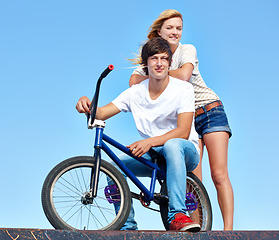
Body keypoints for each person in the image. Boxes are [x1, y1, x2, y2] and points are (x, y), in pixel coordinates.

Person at [76, 37, 201, 232]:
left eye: (164, 58)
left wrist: (149, 142)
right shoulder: (135, 93)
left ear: (169, 62)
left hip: (184, 150)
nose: (159, 63)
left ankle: (178, 215)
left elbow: (183, 132)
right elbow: (101, 112)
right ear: (145, 64)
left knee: (172, 145)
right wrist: (86, 104)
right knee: (113, 167)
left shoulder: (183, 89)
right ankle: (127, 225)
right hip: (153, 153)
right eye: (154, 59)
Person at [129, 10, 234, 230]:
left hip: (208, 111)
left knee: (218, 174)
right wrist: (155, 70)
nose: (175, 32)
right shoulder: (155, 53)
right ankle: (197, 228)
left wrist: (155, 72)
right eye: (170, 28)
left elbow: (185, 75)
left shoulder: (187, 50)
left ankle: (228, 231)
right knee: (190, 181)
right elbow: (133, 82)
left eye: (178, 28)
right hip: (183, 118)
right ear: (159, 31)